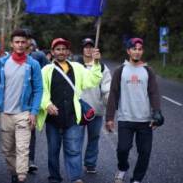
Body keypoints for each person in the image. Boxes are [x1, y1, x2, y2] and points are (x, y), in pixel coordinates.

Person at [37, 38, 102, 183]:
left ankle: (75, 178)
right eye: (58, 49)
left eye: (64, 49)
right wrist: (46, 104)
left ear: (68, 52)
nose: (61, 52)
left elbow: (93, 80)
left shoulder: (77, 68)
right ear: (53, 52)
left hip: (73, 117)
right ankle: (54, 178)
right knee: (53, 151)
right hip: (53, 119)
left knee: (73, 150)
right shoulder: (46, 70)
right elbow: (41, 91)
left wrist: (96, 63)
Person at [106, 38, 164, 183]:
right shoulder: (121, 70)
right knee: (122, 149)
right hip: (125, 118)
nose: (137, 52)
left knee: (145, 152)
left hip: (145, 120)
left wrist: (157, 113)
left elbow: (154, 93)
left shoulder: (148, 71)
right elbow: (113, 94)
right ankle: (122, 167)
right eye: (134, 49)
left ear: (142, 51)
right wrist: (109, 118)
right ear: (128, 51)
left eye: (139, 49)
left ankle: (137, 179)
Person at [0, 29, 43, 183]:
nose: (20, 45)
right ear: (11, 44)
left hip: (24, 113)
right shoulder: (2, 63)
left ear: (27, 44)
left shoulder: (33, 65)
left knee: (22, 148)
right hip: (5, 112)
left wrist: (34, 111)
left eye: (23, 42)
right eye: (17, 42)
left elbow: (39, 89)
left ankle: (21, 176)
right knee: (7, 150)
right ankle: (15, 172)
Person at [77, 38, 111, 174]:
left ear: (95, 49)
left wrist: (109, 102)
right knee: (76, 139)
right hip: (78, 110)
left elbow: (107, 88)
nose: (88, 49)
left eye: (91, 47)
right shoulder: (75, 65)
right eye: (86, 47)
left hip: (96, 109)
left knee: (94, 138)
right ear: (82, 49)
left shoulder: (102, 67)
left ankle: (90, 163)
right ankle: (75, 164)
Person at [26, 37, 48, 173]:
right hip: (15, 103)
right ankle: (20, 160)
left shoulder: (39, 57)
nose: (27, 45)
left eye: (29, 43)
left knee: (30, 131)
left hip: (32, 99)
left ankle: (30, 160)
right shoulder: (12, 59)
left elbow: (48, 69)